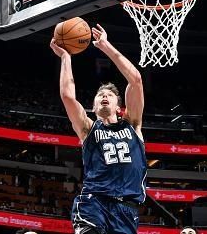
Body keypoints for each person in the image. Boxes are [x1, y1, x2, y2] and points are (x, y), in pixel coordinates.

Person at [50, 24, 147, 234]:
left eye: (110, 95)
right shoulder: (87, 129)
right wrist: (66, 58)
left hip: (127, 210)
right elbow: (68, 96)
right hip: (94, 202)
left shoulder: (133, 125)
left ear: (119, 106)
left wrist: (105, 46)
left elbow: (136, 80)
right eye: (100, 95)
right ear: (93, 107)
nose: (104, 96)